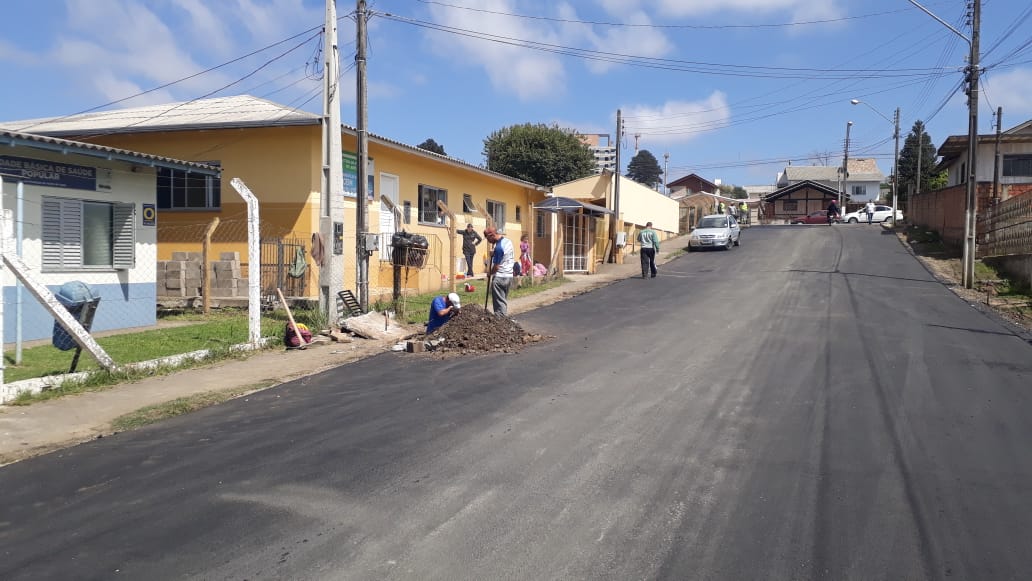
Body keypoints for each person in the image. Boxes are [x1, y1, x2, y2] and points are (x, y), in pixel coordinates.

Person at [484, 227, 515, 315]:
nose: (488, 241)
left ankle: (501, 323)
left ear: (492, 235)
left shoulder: (498, 248)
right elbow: (504, 255)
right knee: (503, 301)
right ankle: (503, 322)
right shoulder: (507, 242)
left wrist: (490, 273)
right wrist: (494, 254)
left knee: (499, 307)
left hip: (500, 278)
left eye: (488, 238)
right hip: (509, 276)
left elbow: (496, 267)